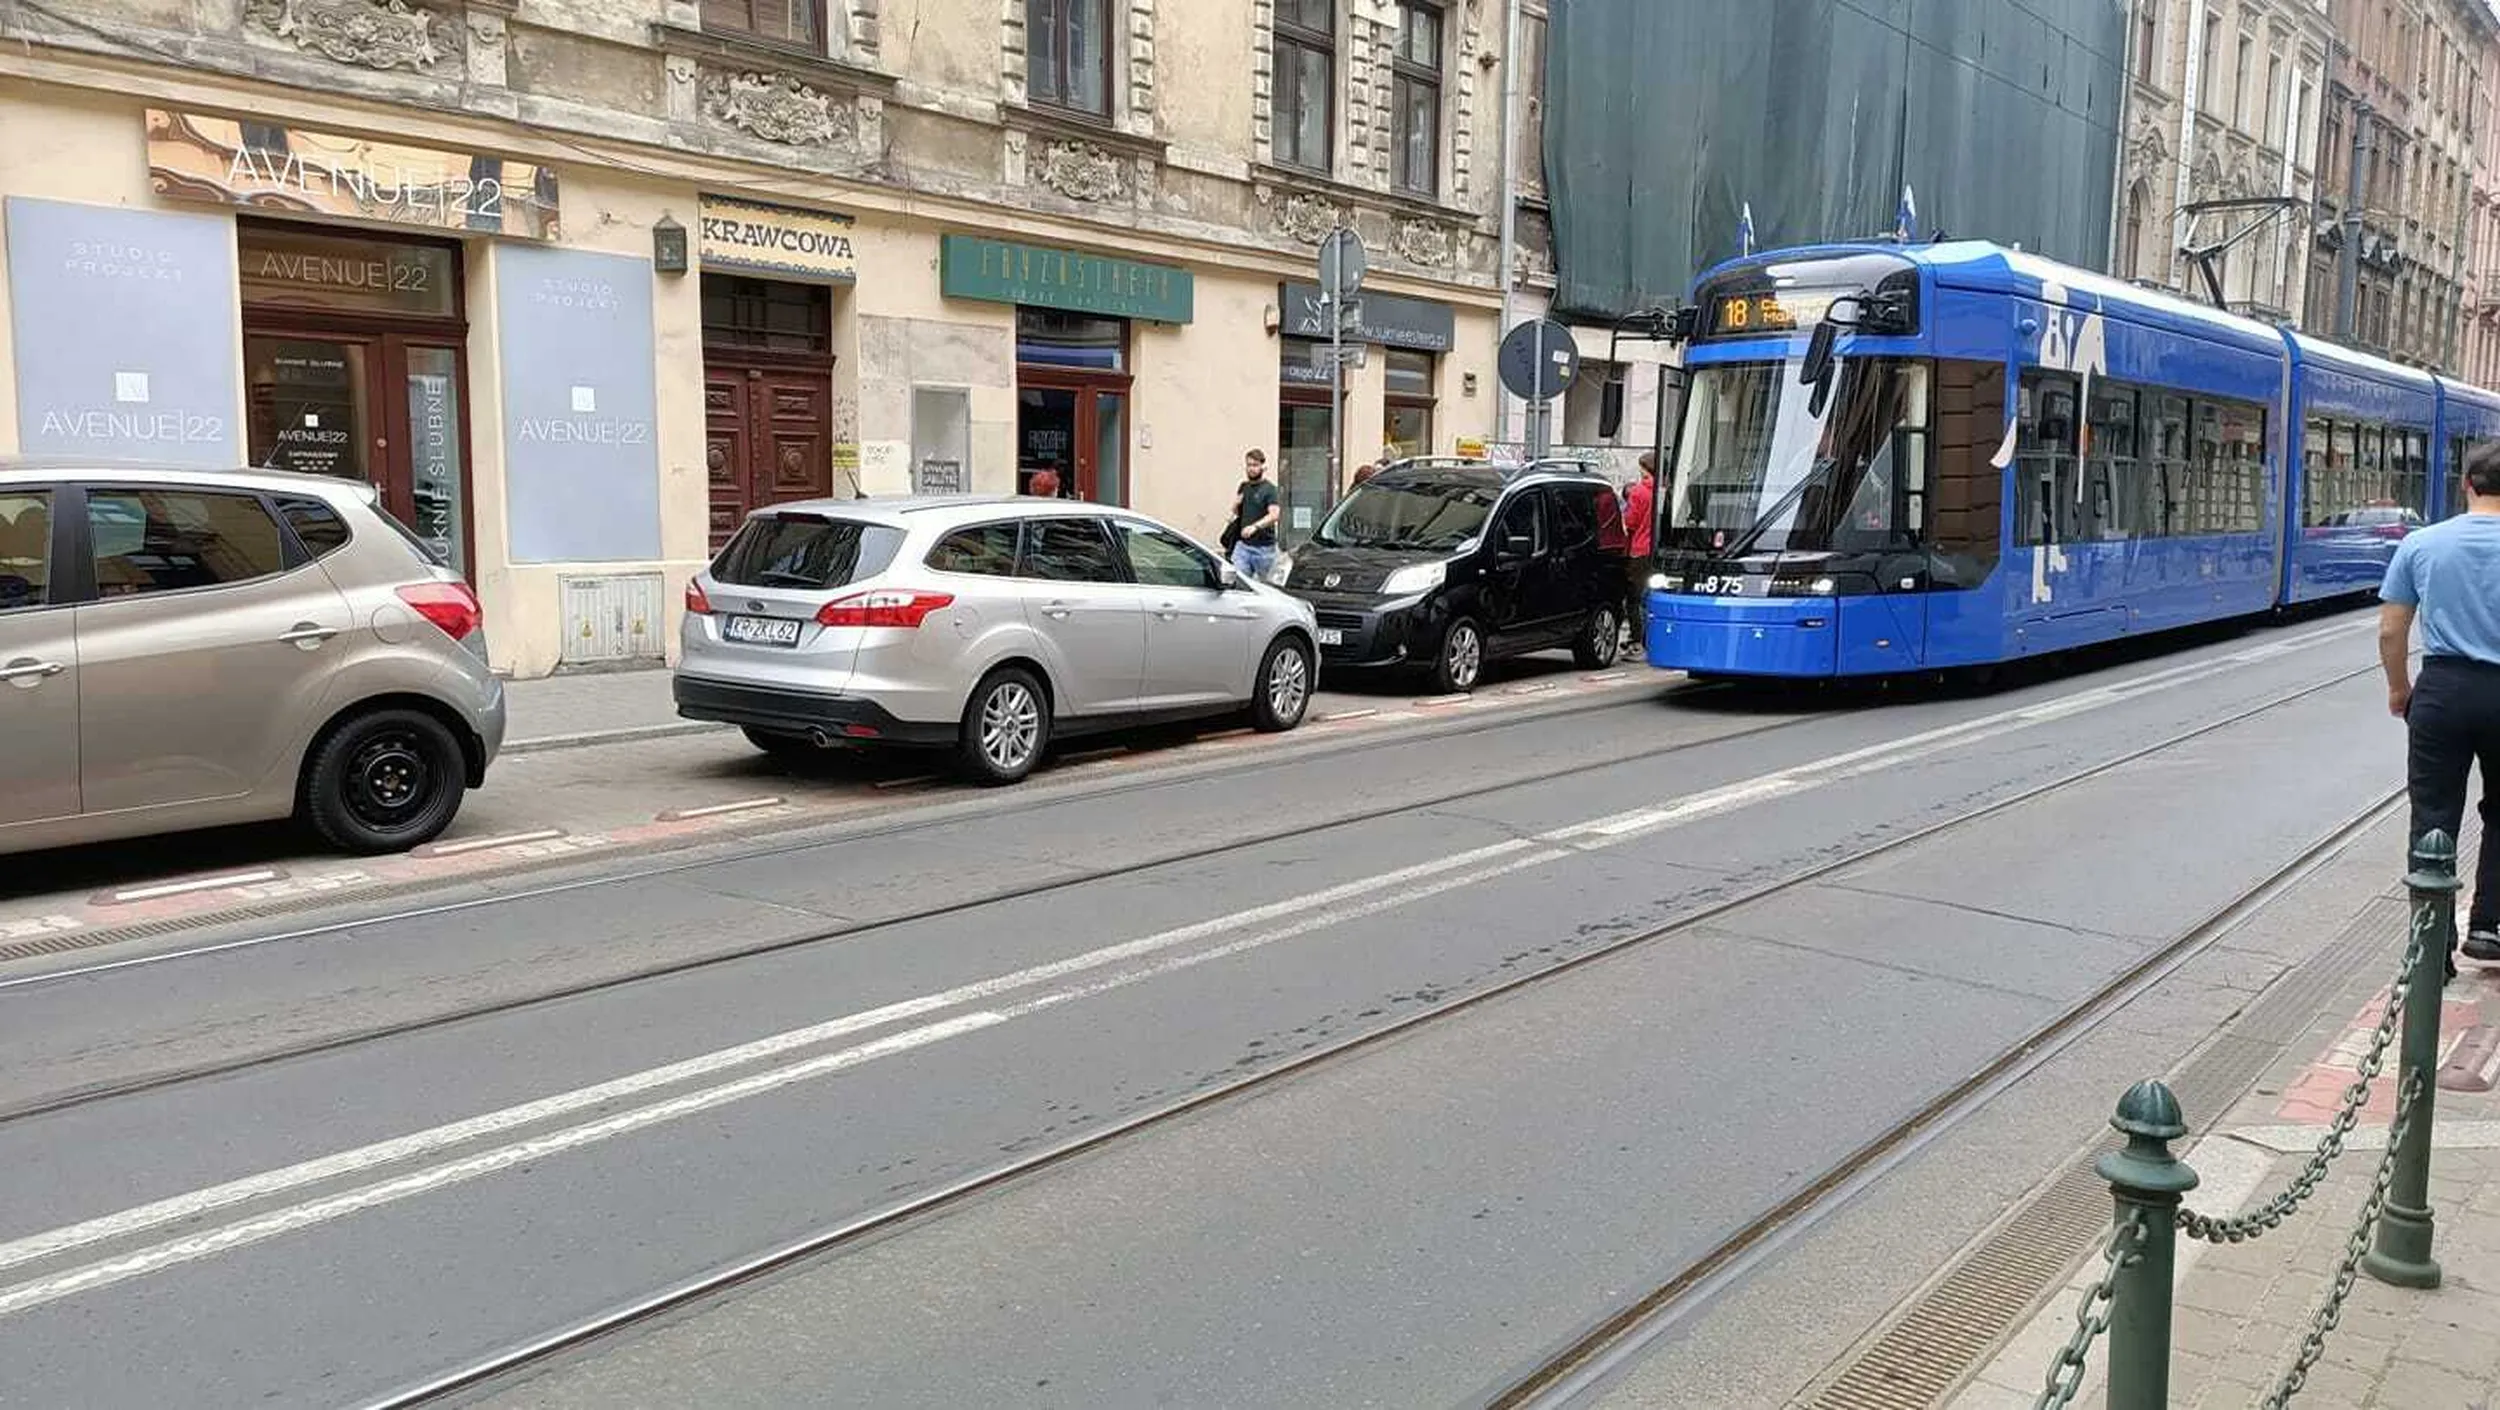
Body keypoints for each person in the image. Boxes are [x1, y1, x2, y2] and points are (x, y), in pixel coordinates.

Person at [2381, 440, 2500, 972]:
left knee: (2433, 814)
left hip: (2443, 688)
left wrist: (2399, 689)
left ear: (2466, 484)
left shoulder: (2422, 544)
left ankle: (2433, 946)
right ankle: (2488, 927)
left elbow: (2391, 628)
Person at [1621, 452, 1658, 658]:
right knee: (1650, 598)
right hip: (1655, 550)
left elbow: (1631, 523)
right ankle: (1651, 640)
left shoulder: (1639, 492)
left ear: (1644, 468)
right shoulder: (1662, 491)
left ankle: (1638, 642)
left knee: (1633, 600)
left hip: (1639, 550)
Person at [1230, 447, 1282, 579]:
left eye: (1255, 465)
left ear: (1263, 467)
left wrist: (1255, 527)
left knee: (1268, 587)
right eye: (1248, 465)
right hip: (1243, 546)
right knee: (1238, 582)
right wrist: (1236, 504)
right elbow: (1238, 512)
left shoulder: (1270, 489)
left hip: (1264, 549)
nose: (1251, 469)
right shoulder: (1244, 486)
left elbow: (1274, 514)